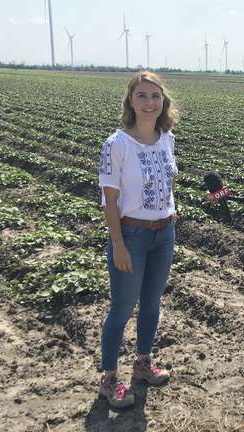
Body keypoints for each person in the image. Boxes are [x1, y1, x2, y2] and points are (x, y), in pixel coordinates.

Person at [97, 71, 179, 408]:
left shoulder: (166, 138)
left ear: (164, 102)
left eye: (155, 96)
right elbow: (109, 199)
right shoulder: (117, 144)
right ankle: (109, 379)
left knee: (152, 304)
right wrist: (118, 242)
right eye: (142, 96)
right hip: (131, 235)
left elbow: (166, 183)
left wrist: (171, 212)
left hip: (164, 233)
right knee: (121, 310)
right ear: (131, 101)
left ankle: (143, 363)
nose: (149, 103)